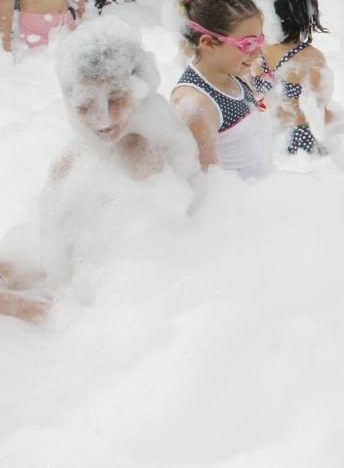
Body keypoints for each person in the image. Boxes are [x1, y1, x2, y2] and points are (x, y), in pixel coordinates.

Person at [1, 20, 200, 322]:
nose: (103, 118)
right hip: (93, 283)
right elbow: (56, 249)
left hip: (134, 301)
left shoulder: (157, 139)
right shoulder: (70, 164)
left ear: (139, 87)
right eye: (84, 105)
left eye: (116, 98)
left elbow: (137, 282)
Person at [170, 0, 272, 178]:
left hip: (262, 195)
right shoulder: (195, 103)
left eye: (260, 40)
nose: (257, 52)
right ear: (207, 43)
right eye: (248, 44)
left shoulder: (232, 74)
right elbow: (207, 187)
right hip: (237, 205)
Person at [253, 0, 344, 155]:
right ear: (306, 12)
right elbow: (319, 111)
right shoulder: (310, 59)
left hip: (270, 135)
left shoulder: (257, 50)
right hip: (302, 140)